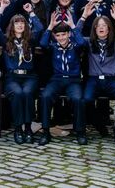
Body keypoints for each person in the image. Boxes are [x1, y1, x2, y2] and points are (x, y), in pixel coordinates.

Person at [75, 2, 115, 147]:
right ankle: (88, 129)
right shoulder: (89, 42)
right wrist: (83, 17)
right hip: (93, 80)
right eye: (98, 25)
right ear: (94, 28)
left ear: (108, 29)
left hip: (112, 80)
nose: (101, 27)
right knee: (86, 99)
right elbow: (75, 36)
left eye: (104, 25)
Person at [0, 2, 43, 144]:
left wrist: (31, 12)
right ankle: (18, 129)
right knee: (18, 93)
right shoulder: (6, 40)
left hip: (29, 76)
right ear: (12, 26)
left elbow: (39, 28)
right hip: (12, 77)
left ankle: (28, 128)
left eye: (22, 23)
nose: (19, 25)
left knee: (27, 93)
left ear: (25, 25)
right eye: (16, 23)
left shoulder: (30, 40)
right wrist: (2, 8)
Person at [38, 14, 85, 145]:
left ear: (69, 34)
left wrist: (73, 26)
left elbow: (82, 42)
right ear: (54, 36)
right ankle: (46, 132)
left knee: (78, 99)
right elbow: (42, 43)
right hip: (56, 80)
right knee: (46, 96)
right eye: (58, 35)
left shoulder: (75, 47)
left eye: (64, 35)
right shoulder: (53, 47)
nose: (61, 38)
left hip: (73, 80)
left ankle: (80, 132)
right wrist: (50, 27)